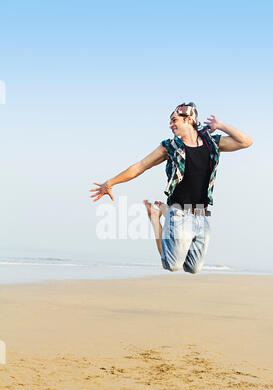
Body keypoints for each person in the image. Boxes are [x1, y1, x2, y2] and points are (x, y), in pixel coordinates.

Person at [90, 102, 253, 274]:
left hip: (201, 215)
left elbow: (246, 142)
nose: (171, 125)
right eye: (170, 121)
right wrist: (110, 182)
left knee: (193, 268)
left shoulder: (211, 142)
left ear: (189, 119)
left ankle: (162, 212)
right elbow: (140, 166)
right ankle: (155, 218)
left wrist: (220, 126)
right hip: (179, 214)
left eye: (174, 120)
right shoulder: (169, 147)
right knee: (172, 265)